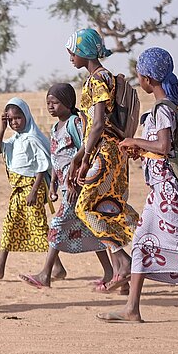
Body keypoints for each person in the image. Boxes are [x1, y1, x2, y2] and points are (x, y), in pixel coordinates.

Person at [98, 47, 178, 322]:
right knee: (141, 246)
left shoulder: (163, 110)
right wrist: (141, 151)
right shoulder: (165, 109)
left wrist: (135, 141)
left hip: (166, 191)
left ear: (148, 78)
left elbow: (163, 146)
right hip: (159, 191)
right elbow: (163, 148)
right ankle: (132, 309)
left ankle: (131, 309)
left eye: (140, 73)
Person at [18, 84, 113, 289]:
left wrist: (78, 181)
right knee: (90, 227)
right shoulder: (54, 128)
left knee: (58, 224)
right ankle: (110, 271)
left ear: (68, 104)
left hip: (76, 187)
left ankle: (46, 274)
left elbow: (85, 149)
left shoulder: (74, 123)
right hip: (63, 186)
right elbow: (55, 159)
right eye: (48, 103)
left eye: (55, 103)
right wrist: (52, 184)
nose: (51, 107)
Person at [66, 29, 139, 292]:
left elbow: (97, 125)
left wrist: (85, 160)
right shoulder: (107, 77)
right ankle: (127, 266)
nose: (70, 56)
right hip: (114, 152)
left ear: (84, 51)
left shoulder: (96, 80)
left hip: (104, 153)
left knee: (84, 208)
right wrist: (78, 157)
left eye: (72, 50)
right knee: (111, 205)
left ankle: (124, 259)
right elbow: (97, 128)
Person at [0, 97, 65, 281]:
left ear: (26, 117)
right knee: (10, 225)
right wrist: (1, 129)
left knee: (39, 227)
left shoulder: (32, 138)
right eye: (10, 119)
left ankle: (57, 268)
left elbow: (42, 165)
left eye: (17, 118)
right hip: (17, 191)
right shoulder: (15, 140)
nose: (14, 122)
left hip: (32, 190)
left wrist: (33, 191)